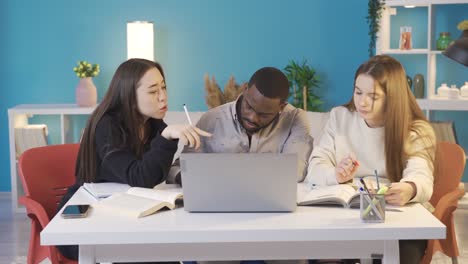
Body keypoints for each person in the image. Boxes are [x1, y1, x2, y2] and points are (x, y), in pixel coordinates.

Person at [57, 58, 211, 262]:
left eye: (164, 88)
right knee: (154, 251)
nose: (163, 97)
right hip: (87, 222)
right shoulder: (107, 124)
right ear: (128, 95)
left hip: (125, 211)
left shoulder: (152, 123)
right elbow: (140, 177)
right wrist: (166, 137)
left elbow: (155, 176)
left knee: (166, 245)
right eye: (153, 91)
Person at [305, 55, 436, 264]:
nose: (362, 102)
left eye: (373, 96)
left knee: (400, 253)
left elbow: (421, 175)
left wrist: (410, 188)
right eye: (358, 92)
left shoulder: (416, 130)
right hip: (347, 215)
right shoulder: (340, 117)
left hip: (399, 216)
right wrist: (335, 174)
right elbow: (315, 167)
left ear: (393, 97)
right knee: (319, 246)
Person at [169, 66, 314, 184]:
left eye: (264, 114)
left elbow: (296, 171)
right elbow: (179, 169)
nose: (252, 117)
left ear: (281, 107)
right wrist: (188, 178)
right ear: (245, 89)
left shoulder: (295, 119)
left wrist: (228, 172)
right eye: (249, 106)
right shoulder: (211, 119)